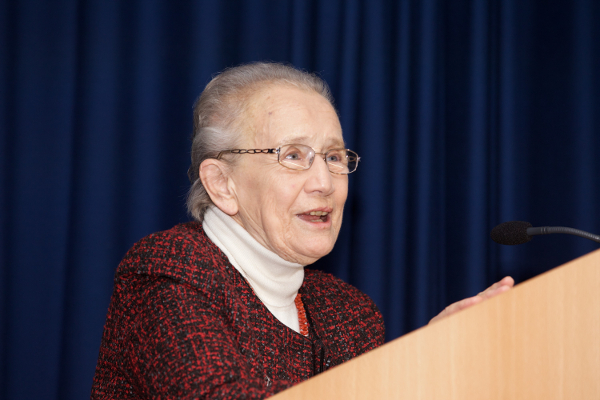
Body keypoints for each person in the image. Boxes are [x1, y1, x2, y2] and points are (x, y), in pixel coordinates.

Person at [91, 62, 513, 399]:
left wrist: (421, 361)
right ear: (222, 183)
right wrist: (404, 371)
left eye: (333, 157)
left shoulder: (349, 313)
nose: (324, 182)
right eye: (293, 155)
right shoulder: (169, 270)